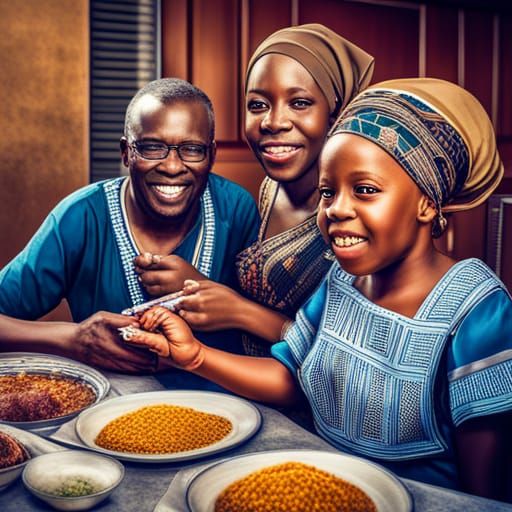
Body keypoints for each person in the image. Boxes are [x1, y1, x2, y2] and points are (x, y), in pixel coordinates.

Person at [121, 78, 511, 500]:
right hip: (315, 490)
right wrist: (195, 357)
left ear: (426, 203)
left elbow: (484, 495)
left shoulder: (477, 311)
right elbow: (291, 377)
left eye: (365, 190)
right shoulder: (341, 280)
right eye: (328, 192)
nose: (337, 209)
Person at [0, 78, 259, 389]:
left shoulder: (236, 210)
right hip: (109, 413)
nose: (173, 166)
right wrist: (73, 338)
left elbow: (274, 334)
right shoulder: (82, 217)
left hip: (231, 412)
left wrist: (204, 289)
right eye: (152, 147)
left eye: (192, 149)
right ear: (126, 153)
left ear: (212, 155)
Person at [143, 24, 375, 359]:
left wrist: (240, 312)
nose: (273, 122)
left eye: (299, 103)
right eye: (257, 105)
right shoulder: (270, 190)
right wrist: (198, 286)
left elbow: (349, 359)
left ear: (335, 113)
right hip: (245, 388)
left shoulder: (351, 216)